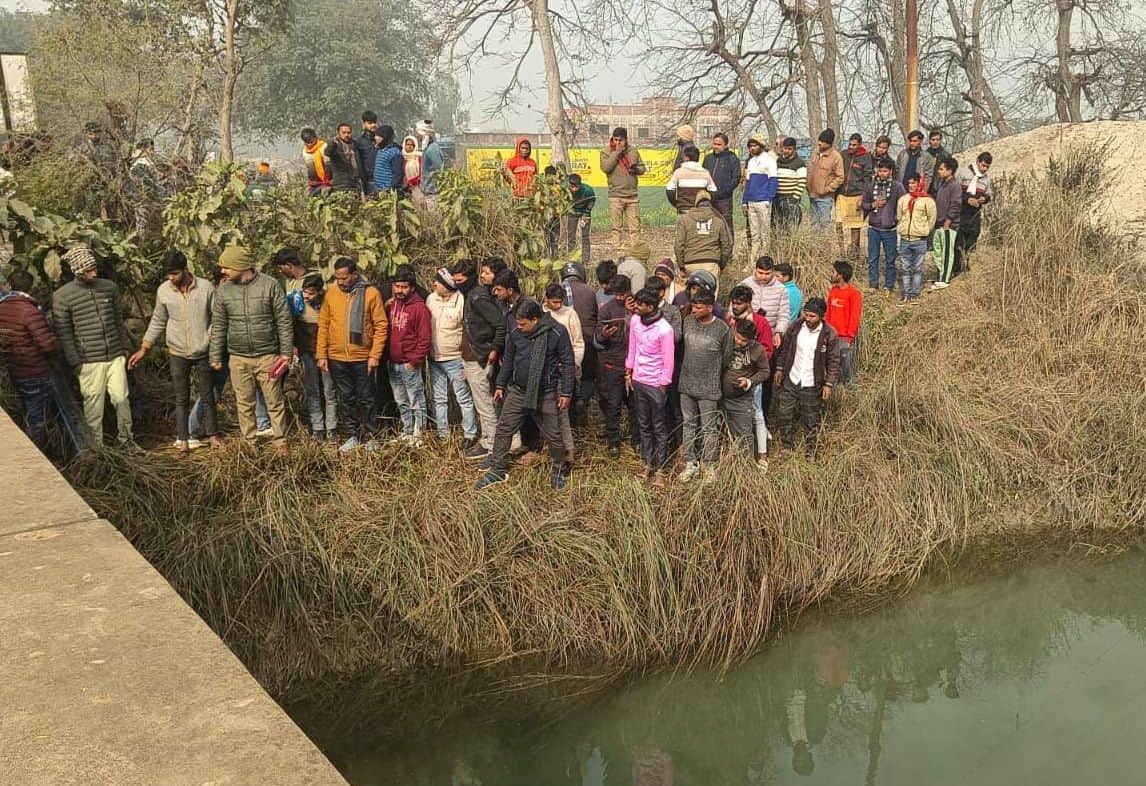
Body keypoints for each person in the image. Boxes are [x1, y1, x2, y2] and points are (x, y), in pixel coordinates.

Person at [475, 299, 576, 491]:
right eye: (517, 323)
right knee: (504, 429)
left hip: (545, 392)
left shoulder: (557, 332)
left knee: (553, 436)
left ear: (535, 320)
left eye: (523, 324)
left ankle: (558, 469)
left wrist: (566, 392)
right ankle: (497, 469)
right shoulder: (516, 333)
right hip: (518, 391)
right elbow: (509, 361)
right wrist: (500, 384)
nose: (518, 327)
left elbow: (568, 362)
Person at [129, 249, 219, 456]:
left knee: (207, 395)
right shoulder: (164, 291)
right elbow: (158, 320)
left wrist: (212, 341)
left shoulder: (206, 287)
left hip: (203, 350)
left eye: (175, 274)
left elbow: (216, 317)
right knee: (181, 397)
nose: (172, 278)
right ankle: (184, 441)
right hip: (177, 352)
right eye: (169, 275)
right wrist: (145, 347)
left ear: (185, 270)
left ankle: (214, 436)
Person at [209, 245, 293, 451]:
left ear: (240, 266)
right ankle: (250, 443)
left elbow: (283, 320)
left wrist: (286, 353)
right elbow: (219, 325)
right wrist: (215, 355)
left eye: (226, 267)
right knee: (244, 403)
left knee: (274, 401)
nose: (223, 272)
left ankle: (281, 442)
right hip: (238, 357)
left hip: (268, 356)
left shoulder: (270, 285)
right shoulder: (223, 291)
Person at [52, 246, 135, 449]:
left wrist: (124, 349)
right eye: (89, 270)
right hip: (88, 361)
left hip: (115, 355)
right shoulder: (62, 296)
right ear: (77, 272)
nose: (94, 273)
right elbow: (65, 333)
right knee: (93, 406)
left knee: (122, 399)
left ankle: (127, 441)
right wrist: (76, 362)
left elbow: (118, 321)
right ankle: (96, 448)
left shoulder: (109, 288)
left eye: (94, 268)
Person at [0, 270, 82, 452]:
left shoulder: (3, 307)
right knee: (42, 416)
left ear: (11, 285)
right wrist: (58, 345)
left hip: (16, 370)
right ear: (31, 287)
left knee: (31, 410)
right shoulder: (29, 310)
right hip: (36, 370)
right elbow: (46, 346)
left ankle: (46, 449)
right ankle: (36, 454)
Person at [318, 257, 387, 451]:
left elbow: (381, 326)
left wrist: (375, 355)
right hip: (336, 357)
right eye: (337, 278)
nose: (339, 281)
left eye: (343, 278)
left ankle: (372, 435)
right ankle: (351, 435)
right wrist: (321, 354)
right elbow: (323, 324)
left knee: (367, 397)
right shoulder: (331, 294)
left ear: (354, 275)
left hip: (362, 356)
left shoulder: (371, 293)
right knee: (345, 397)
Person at [452, 260, 507, 461]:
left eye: (461, 279)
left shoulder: (477, 297)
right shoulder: (472, 295)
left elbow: (500, 325)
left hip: (480, 358)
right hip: (472, 357)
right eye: (455, 279)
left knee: (485, 404)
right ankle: (488, 441)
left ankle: (491, 445)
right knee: (483, 403)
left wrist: (493, 350)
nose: (457, 282)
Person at [773, 297, 841, 457]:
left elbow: (834, 361)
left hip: (812, 382)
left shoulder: (828, 334)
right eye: (806, 315)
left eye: (812, 316)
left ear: (821, 316)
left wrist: (829, 384)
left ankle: (811, 451)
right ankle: (786, 447)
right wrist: (780, 368)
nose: (808, 319)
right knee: (784, 414)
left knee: (811, 418)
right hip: (792, 378)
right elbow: (785, 349)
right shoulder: (795, 327)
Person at [678, 289, 733, 483]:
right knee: (688, 424)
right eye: (693, 306)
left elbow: (726, 357)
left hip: (709, 387)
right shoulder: (688, 322)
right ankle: (690, 463)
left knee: (709, 428)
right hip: (686, 384)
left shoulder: (722, 329)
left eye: (699, 307)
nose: (694, 310)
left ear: (710, 307)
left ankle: (709, 465)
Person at [626, 287, 676, 488]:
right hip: (638, 379)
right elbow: (632, 348)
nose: (635, 307)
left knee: (659, 426)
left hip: (656, 383)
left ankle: (661, 469)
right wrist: (628, 371)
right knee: (644, 424)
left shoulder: (665, 329)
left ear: (651, 306)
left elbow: (668, 359)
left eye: (640, 304)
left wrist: (663, 383)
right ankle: (648, 464)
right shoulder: (635, 321)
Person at [427, 267, 477, 447]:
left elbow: (467, 331)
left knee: (462, 397)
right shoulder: (431, 299)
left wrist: (466, 360)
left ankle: (469, 434)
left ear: (447, 285)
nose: (434, 285)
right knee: (439, 398)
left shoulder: (462, 300)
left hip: (455, 358)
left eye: (438, 282)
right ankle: (443, 435)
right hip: (434, 358)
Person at [727, 285, 772, 467]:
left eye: (739, 303)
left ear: (748, 303)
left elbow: (767, 350)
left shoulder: (760, 322)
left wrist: (751, 366)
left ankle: (762, 455)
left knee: (757, 414)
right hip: (733, 379)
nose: (735, 306)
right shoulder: (730, 320)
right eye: (733, 303)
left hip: (753, 378)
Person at [386, 266, 432, 446]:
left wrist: (414, 362)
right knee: (401, 400)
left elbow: (425, 339)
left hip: (409, 363)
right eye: (397, 286)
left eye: (404, 287)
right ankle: (406, 431)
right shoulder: (393, 304)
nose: (399, 290)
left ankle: (419, 433)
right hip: (393, 362)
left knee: (416, 400)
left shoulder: (420, 308)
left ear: (412, 288)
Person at [292, 274, 339, 440]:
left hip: (327, 352)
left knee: (329, 390)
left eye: (311, 293)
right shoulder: (296, 302)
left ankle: (332, 427)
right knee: (312, 390)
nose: (306, 296)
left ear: (320, 292)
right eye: (305, 292)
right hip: (307, 352)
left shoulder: (329, 302)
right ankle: (317, 426)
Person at [543, 282, 584, 461]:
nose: (557, 306)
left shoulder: (570, 314)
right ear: (546, 299)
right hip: (545, 370)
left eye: (560, 302)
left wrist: (573, 364)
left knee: (562, 411)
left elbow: (578, 342)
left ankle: (568, 449)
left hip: (564, 369)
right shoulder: (540, 314)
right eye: (554, 302)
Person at [595, 274, 633, 458]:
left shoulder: (637, 306)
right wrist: (603, 335)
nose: (619, 298)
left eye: (622, 294)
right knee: (613, 405)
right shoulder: (606, 310)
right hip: (613, 364)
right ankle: (613, 442)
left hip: (635, 366)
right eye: (616, 294)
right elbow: (597, 338)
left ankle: (637, 440)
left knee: (636, 406)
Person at [722, 319, 770, 462]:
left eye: (743, 341)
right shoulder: (727, 340)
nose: (738, 342)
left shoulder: (758, 350)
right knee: (725, 431)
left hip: (741, 398)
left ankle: (746, 465)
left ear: (752, 339)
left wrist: (749, 382)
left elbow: (765, 371)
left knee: (744, 433)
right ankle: (729, 461)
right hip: (720, 396)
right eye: (737, 337)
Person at [861, 157, 907, 295]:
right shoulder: (871, 185)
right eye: (880, 171)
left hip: (890, 229)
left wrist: (896, 218)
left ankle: (889, 285)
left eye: (885, 171)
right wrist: (873, 205)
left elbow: (903, 204)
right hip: (874, 228)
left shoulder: (897, 187)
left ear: (891, 172)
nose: (882, 174)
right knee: (873, 258)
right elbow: (863, 204)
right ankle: (873, 284)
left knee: (890, 259)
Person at [561, 260, 599, 419]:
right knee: (589, 376)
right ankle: (582, 400)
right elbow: (596, 316)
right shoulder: (590, 291)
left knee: (566, 377)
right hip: (587, 339)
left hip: (562, 342)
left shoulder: (558, 289)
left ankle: (571, 411)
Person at [600, 126, 646, 255]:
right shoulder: (606, 151)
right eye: (615, 140)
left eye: (621, 140)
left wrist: (636, 169)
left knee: (635, 227)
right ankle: (618, 252)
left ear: (626, 140)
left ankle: (636, 252)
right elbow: (606, 167)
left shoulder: (633, 151)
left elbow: (643, 168)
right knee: (617, 227)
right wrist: (617, 153)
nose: (618, 143)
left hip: (632, 196)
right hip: (616, 195)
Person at [674, 191, 732, 283]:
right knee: (709, 296)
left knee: (691, 294)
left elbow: (678, 245)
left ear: (696, 203)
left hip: (690, 263)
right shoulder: (719, 220)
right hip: (711, 263)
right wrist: (721, 265)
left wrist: (681, 265)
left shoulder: (684, 219)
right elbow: (727, 245)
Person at [896, 173, 935, 304]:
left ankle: (915, 294)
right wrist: (903, 228)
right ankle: (906, 293)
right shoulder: (903, 199)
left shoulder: (927, 201)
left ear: (919, 183)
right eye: (909, 183)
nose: (911, 186)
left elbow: (931, 219)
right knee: (905, 268)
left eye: (913, 183)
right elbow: (900, 216)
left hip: (919, 240)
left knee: (917, 269)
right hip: (905, 239)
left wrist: (924, 231)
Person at [825, 260, 862, 385]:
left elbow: (854, 316)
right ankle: (832, 386)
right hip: (831, 334)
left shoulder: (854, 294)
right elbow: (828, 313)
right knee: (831, 362)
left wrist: (849, 336)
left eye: (833, 272)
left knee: (845, 362)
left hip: (844, 336)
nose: (831, 274)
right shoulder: (833, 291)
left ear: (840, 275)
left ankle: (849, 385)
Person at [742, 133, 778, 262]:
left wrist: (768, 198)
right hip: (751, 201)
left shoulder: (769, 160)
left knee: (764, 234)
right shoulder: (751, 162)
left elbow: (773, 181)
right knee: (754, 234)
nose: (752, 148)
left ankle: (764, 260)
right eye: (750, 146)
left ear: (761, 146)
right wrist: (744, 201)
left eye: (754, 145)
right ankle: (753, 261)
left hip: (763, 202)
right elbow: (748, 183)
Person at [956, 152, 993, 272]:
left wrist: (985, 199)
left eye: (987, 167)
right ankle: (956, 268)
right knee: (959, 241)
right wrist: (967, 199)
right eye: (983, 165)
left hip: (975, 212)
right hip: (961, 211)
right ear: (977, 161)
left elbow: (989, 194)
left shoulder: (986, 179)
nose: (984, 169)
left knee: (972, 238)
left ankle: (967, 266)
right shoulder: (963, 172)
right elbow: (954, 190)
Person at [838, 133, 873, 255]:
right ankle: (841, 250)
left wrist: (863, 197)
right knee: (839, 223)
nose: (851, 147)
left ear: (859, 145)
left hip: (856, 195)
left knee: (855, 225)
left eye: (854, 145)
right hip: (842, 195)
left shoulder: (866, 157)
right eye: (850, 144)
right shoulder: (843, 154)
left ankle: (854, 252)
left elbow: (868, 179)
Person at [931, 157, 962, 290]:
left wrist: (947, 222)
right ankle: (940, 276)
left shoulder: (955, 186)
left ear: (950, 170)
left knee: (947, 253)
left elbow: (955, 205)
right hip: (939, 223)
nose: (939, 171)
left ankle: (945, 279)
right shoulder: (942, 184)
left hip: (948, 225)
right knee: (938, 252)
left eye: (942, 169)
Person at [702, 132, 741, 237]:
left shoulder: (732, 158)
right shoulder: (708, 158)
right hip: (709, 198)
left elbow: (736, 179)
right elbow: (703, 176)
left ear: (726, 145)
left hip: (724, 199)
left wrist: (724, 191)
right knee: (710, 226)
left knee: (726, 225)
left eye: (719, 144)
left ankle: (728, 250)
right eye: (714, 144)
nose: (716, 147)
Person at [807, 129, 844, 228]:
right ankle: (814, 244)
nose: (819, 143)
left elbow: (840, 177)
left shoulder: (836, 157)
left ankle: (825, 244)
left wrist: (826, 189)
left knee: (824, 225)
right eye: (819, 140)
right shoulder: (815, 153)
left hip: (825, 198)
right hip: (812, 195)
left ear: (828, 144)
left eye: (822, 142)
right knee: (813, 224)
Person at [664, 144, 716, 214]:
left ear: (687, 158)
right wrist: (706, 203)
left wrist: (676, 204)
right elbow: (713, 191)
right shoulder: (705, 173)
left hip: (683, 209)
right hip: (700, 209)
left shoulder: (679, 172)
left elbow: (669, 190)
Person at [774, 137, 807, 231]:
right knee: (779, 225)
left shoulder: (799, 163)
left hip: (791, 198)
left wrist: (795, 198)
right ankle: (781, 245)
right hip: (778, 197)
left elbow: (801, 182)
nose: (787, 151)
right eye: (785, 148)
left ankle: (791, 245)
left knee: (791, 226)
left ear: (794, 149)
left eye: (789, 149)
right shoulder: (778, 161)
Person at [566, 174, 596, 266]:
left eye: (577, 187)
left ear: (580, 184)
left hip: (584, 212)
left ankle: (585, 260)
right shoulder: (565, 189)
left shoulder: (588, 190)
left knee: (585, 236)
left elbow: (592, 200)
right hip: (572, 212)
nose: (574, 189)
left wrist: (587, 212)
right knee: (571, 236)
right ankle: (572, 258)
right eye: (572, 187)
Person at [327, 123, 363, 194]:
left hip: (355, 183)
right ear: (338, 133)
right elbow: (328, 152)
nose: (346, 135)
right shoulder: (335, 145)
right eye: (343, 133)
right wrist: (333, 144)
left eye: (348, 133)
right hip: (340, 185)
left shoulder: (355, 144)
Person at [416, 120, 445, 208]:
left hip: (433, 194)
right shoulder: (428, 148)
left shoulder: (432, 149)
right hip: (428, 192)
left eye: (418, 133)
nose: (417, 136)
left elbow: (439, 170)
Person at [371, 125, 404, 194]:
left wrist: (391, 189)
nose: (375, 138)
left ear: (385, 137)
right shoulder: (381, 150)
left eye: (378, 136)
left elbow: (398, 173)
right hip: (378, 190)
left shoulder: (394, 152)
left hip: (388, 191)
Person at [300, 127, 330, 196]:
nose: (310, 144)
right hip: (314, 183)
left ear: (315, 137)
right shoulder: (305, 151)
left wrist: (326, 182)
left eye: (311, 141)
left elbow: (328, 165)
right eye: (307, 142)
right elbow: (309, 167)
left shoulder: (323, 146)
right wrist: (311, 181)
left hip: (327, 180)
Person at [356, 111, 380, 193]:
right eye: (370, 123)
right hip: (368, 181)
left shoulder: (381, 140)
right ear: (363, 124)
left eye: (374, 122)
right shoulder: (359, 142)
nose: (373, 125)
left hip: (382, 179)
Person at [926, 129, 949, 195]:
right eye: (933, 139)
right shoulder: (924, 155)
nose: (935, 142)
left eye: (937, 140)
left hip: (940, 187)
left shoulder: (946, 155)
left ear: (941, 140)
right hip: (926, 187)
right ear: (930, 140)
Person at [402, 135, 423, 206]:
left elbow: (422, 172)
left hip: (417, 186)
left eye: (412, 145)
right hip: (405, 188)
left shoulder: (419, 156)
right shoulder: (402, 157)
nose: (410, 146)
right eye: (407, 144)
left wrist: (412, 181)